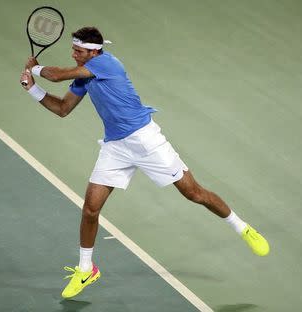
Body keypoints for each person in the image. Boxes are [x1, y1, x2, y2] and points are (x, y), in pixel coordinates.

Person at [20, 26, 269, 299]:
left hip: (146, 140)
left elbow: (55, 74)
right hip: (115, 147)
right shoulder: (84, 77)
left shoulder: (106, 63)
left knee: (193, 192)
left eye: (78, 51)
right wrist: (33, 90)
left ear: (93, 51)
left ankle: (242, 227)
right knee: (90, 209)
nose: (74, 53)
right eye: (74, 50)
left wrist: (34, 68)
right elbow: (63, 109)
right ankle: (86, 269)